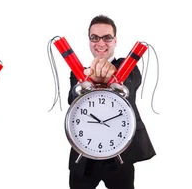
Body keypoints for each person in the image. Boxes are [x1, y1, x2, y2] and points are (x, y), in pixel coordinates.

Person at [66, 14, 156, 189]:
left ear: (115, 41)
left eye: (107, 37)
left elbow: (130, 83)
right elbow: (72, 99)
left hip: (121, 157)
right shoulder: (78, 73)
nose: (101, 43)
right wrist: (86, 79)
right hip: (83, 157)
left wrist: (112, 74)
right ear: (89, 41)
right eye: (95, 37)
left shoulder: (127, 67)